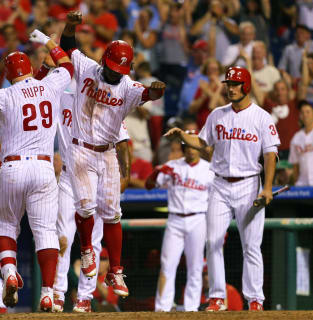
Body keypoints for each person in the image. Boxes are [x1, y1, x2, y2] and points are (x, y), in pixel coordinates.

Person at [0, 29, 74, 311]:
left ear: (8, 74)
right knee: (45, 232)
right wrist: (47, 41)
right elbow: (66, 64)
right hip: (44, 167)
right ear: (30, 68)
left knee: (6, 225)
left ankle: (9, 272)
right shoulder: (52, 85)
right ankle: (47, 293)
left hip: (13, 167)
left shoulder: (4, 94)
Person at [59, 11, 165, 298]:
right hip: (80, 148)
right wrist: (71, 24)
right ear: (105, 60)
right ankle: (87, 252)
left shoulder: (128, 86)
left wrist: (156, 93)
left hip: (107, 155)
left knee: (113, 215)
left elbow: (148, 95)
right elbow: (68, 44)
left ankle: (115, 272)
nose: (114, 72)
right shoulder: (89, 68)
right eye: (112, 66)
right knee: (85, 209)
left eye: (120, 68)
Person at [165, 66, 280, 311]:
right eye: (228, 83)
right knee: (213, 241)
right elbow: (203, 142)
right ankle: (217, 297)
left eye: (236, 83)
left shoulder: (261, 117)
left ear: (246, 86)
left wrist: (267, 188)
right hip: (219, 184)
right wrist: (183, 137)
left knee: (251, 245)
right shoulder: (217, 114)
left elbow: (271, 155)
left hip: (249, 183)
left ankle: (255, 300)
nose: (230, 87)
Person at [37, 88, 130, 312]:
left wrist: (123, 178)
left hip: (99, 177)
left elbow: (124, 143)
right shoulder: (64, 98)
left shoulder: (108, 105)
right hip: (70, 176)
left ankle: (85, 297)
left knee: (95, 240)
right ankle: (58, 293)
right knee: (63, 236)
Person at [145, 131, 214, 312]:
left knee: (195, 266)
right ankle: (162, 308)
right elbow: (149, 186)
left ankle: (191, 308)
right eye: (187, 146)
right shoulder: (173, 166)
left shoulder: (209, 169)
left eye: (193, 146)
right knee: (167, 265)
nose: (190, 150)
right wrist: (157, 171)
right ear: (183, 148)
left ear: (199, 148)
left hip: (198, 219)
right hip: (175, 220)